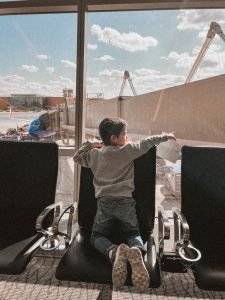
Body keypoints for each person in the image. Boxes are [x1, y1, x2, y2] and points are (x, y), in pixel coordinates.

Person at [73, 117, 176, 291]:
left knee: (96, 237)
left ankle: (113, 251)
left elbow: (77, 157)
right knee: (132, 232)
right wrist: (166, 136)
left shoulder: (94, 155)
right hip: (126, 203)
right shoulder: (127, 151)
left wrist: (89, 144)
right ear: (114, 138)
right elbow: (148, 142)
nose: (127, 137)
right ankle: (135, 249)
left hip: (104, 204)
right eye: (125, 134)